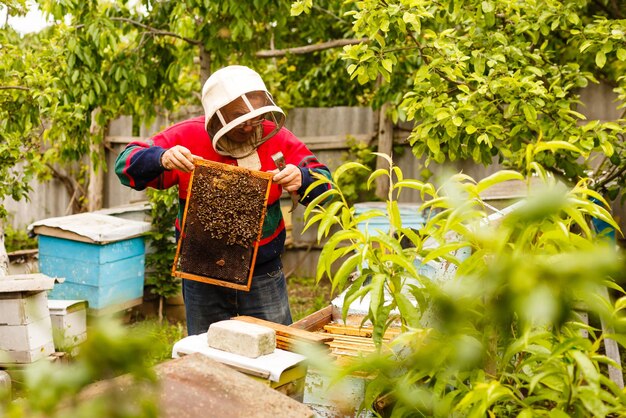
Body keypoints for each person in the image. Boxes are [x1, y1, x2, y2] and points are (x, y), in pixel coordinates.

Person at [115, 65, 333, 335]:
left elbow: (325, 182)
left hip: (263, 272)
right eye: (241, 116)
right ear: (218, 112)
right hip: (203, 272)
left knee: (277, 350)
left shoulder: (278, 138)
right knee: (208, 355)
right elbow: (125, 164)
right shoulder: (186, 135)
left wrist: (303, 178)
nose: (251, 124)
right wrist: (161, 158)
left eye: (256, 113)